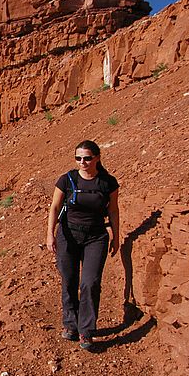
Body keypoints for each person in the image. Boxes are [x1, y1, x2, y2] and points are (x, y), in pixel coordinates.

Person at [45, 140, 120, 351]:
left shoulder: (107, 183)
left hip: (96, 237)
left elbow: (113, 210)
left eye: (87, 158)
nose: (82, 162)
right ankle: (70, 324)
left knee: (90, 283)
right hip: (68, 235)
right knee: (69, 279)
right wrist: (50, 235)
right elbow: (54, 208)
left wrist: (116, 235)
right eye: (78, 158)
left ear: (97, 158)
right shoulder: (67, 180)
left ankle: (86, 331)